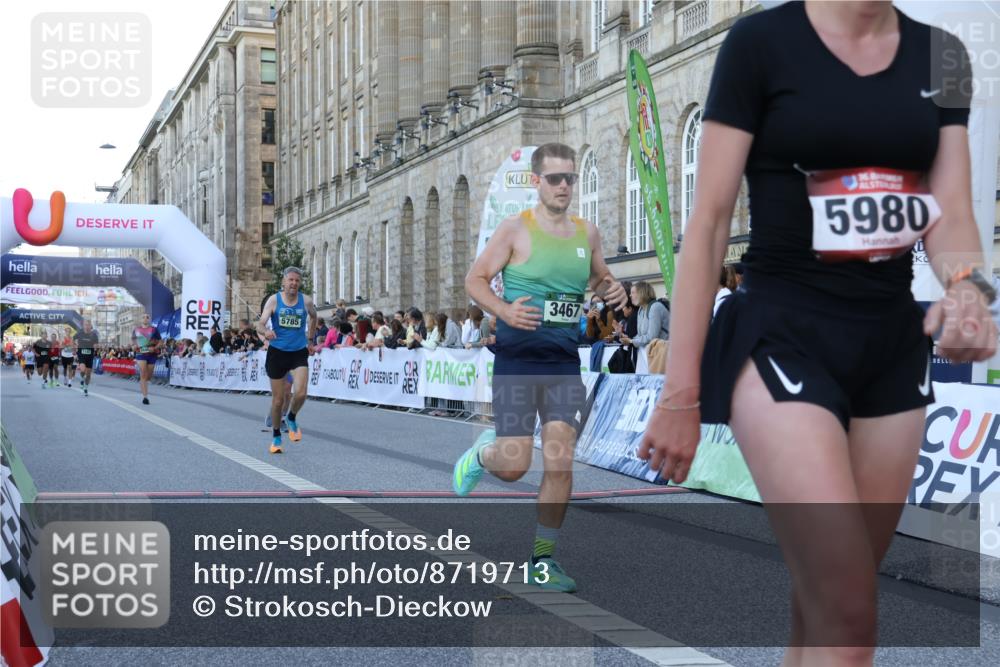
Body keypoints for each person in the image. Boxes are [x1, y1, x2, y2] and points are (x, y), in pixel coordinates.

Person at [637, 3, 996, 664]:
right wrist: (680, 391)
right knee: (849, 605)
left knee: (828, 608)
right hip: (782, 334)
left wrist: (970, 287)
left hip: (891, 348)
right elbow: (709, 220)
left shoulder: (943, 55)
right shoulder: (759, 43)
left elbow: (949, 210)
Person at [454, 142, 626, 593]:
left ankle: (542, 560)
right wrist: (504, 311)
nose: (564, 185)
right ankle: (482, 454)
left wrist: (613, 288)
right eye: (554, 178)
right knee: (513, 467)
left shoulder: (587, 233)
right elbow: (475, 279)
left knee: (560, 461)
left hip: (563, 365)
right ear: (536, 182)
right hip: (517, 363)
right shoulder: (515, 229)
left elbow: (600, 277)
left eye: (570, 177)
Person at [257, 266, 317, 454]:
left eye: (297, 280)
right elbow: (260, 324)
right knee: (278, 400)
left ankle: (291, 417)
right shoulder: (274, 300)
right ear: (284, 281)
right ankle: (276, 436)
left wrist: (310, 340)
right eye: (290, 280)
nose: (294, 283)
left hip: (298, 352)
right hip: (277, 353)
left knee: (301, 393)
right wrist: (266, 331)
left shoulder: (306, 301)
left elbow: (314, 317)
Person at [620, 281, 669, 349]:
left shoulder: (655, 307)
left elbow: (652, 337)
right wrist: (629, 339)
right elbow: (641, 335)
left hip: (664, 351)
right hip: (654, 350)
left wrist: (631, 341)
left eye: (633, 292)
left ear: (642, 293)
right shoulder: (641, 309)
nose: (630, 295)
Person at [133, 313, 162, 404]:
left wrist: (155, 348)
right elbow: (134, 343)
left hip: (152, 354)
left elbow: (161, 342)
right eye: (143, 317)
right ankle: (145, 397)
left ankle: (144, 381)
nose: (145, 318)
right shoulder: (136, 330)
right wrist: (134, 346)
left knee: (148, 376)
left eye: (147, 317)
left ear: (149, 320)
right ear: (141, 319)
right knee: (143, 374)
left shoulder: (154, 330)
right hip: (141, 354)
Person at [74, 318, 100, 396]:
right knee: (82, 369)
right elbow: (73, 339)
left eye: (88, 325)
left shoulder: (94, 335)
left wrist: (96, 346)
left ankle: (86, 387)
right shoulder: (80, 333)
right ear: (83, 325)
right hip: (81, 354)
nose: (87, 326)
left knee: (88, 374)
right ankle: (82, 379)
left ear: (90, 326)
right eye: (86, 325)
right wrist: (75, 345)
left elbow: (96, 344)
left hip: (90, 355)